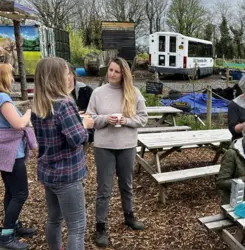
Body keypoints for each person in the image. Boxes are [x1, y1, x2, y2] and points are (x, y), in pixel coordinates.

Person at [31, 57, 94, 250]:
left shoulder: (39, 103)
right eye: (67, 73)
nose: (70, 77)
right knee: (76, 227)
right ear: (57, 76)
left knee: (54, 219)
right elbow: (76, 139)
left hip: (48, 172)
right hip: (67, 175)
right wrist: (85, 125)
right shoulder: (64, 103)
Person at [86, 57, 148, 248]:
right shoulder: (98, 92)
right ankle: (101, 226)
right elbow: (90, 118)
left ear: (124, 74)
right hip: (104, 146)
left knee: (127, 184)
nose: (112, 74)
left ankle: (129, 216)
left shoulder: (134, 93)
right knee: (104, 188)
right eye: (110, 70)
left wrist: (126, 121)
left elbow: (143, 118)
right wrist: (106, 119)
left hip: (127, 145)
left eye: (116, 71)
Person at [0, 63, 36, 250]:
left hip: (6, 153)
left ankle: (12, 226)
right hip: (12, 154)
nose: (13, 78)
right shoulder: (3, 98)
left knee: (11, 192)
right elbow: (18, 124)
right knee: (21, 193)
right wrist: (28, 112)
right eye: (11, 75)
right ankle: (6, 237)